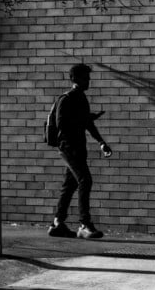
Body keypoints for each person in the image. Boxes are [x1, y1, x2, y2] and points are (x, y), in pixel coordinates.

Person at [48, 63, 112, 239]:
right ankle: (85, 224)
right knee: (85, 180)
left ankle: (57, 223)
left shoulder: (82, 98)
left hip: (78, 148)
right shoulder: (66, 99)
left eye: (89, 78)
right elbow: (62, 124)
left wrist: (101, 142)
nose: (88, 81)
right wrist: (84, 119)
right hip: (68, 148)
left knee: (70, 185)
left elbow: (87, 124)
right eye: (85, 78)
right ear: (75, 79)